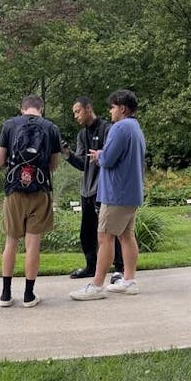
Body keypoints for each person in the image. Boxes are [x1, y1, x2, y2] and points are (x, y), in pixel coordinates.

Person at [71, 89, 146, 301]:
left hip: (116, 193)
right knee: (126, 235)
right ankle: (129, 280)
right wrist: (104, 155)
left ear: (122, 108)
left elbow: (109, 160)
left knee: (104, 237)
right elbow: (121, 156)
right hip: (131, 192)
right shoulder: (135, 127)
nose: (110, 111)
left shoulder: (119, 128)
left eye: (112, 107)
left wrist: (99, 157)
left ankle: (96, 286)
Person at [0, 95, 62, 308]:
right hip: (40, 189)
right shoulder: (51, 128)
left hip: (14, 189)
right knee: (33, 243)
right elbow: (54, 164)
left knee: (11, 242)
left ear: (22, 108)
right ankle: (28, 295)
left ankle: (5, 295)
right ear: (41, 109)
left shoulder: (9, 125)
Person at [62, 97, 124, 280]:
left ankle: (119, 269)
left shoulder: (107, 129)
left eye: (78, 111)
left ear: (88, 109)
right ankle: (91, 266)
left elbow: (114, 156)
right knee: (87, 232)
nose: (76, 116)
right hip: (87, 190)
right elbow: (82, 164)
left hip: (104, 189)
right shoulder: (82, 135)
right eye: (74, 112)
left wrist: (102, 156)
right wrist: (68, 154)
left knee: (110, 231)